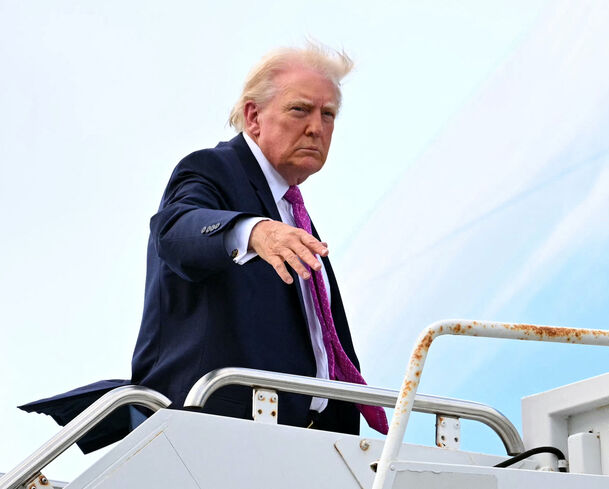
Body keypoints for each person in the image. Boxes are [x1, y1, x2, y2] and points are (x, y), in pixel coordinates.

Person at [20, 43, 387, 452]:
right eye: (300, 110)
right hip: (219, 435)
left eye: (328, 114)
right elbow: (175, 230)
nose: (317, 127)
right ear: (253, 116)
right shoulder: (212, 170)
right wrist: (252, 231)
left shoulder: (292, 211)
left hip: (305, 444)